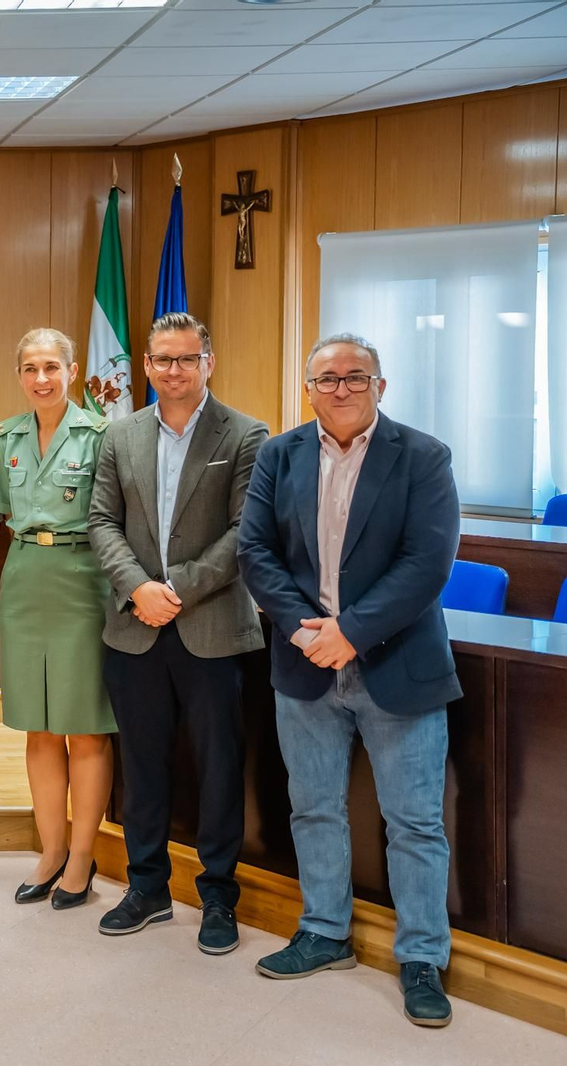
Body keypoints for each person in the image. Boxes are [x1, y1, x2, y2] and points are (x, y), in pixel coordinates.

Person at [238, 334, 460, 1028]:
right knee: (314, 809)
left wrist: (352, 632)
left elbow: (428, 563)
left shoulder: (423, 456)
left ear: (380, 386)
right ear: (308, 388)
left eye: (354, 376)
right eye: (326, 378)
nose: (339, 387)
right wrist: (310, 628)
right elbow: (255, 550)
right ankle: (325, 932)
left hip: (399, 667)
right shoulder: (280, 454)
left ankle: (422, 958)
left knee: (415, 822)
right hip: (304, 665)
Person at [88, 311, 269, 954]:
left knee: (219, 768)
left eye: (186, 359)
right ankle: (148, 889)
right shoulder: (120, 435)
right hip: (134, 626)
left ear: (207, 364)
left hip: (212, 628)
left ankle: (217, 896)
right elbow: (102, 521)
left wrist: (178, 590)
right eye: (162, 359)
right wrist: (139, 588)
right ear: (145, 366)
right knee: (140, 765)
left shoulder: (247, 434)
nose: (173, 370)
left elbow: (248, 533)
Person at [0, 328, 116, 910]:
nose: (41, 378)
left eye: (51, 367)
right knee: (38, 726)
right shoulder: (7, 437)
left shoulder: (100, 434)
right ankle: (51, 848)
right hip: (22, 576)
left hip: (81, 578)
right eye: (30, 368)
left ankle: (84, 857)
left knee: (84, 723)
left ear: (71, 372)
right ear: (19, 375)